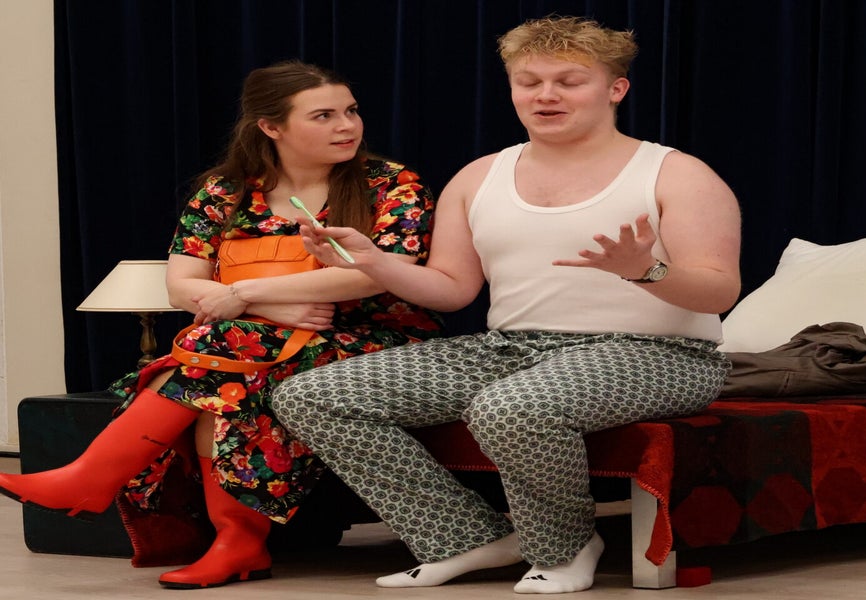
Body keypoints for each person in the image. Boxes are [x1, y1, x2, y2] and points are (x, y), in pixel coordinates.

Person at [273, 15, 741, 594]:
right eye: (529, 82)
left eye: (569, 81)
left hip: (661, 353)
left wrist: (646, 270)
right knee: (312, 396)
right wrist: (373, 262)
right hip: (513, 348)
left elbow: (719, 290)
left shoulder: (677, 174)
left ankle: (565, 548)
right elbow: (453, 289)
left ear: (615, 88)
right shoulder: (480, 176)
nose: (546, 95)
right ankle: (464, 537)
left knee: (511, 407)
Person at [0, 60, 441, 589]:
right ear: (271, 127)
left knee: (216, 348)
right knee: (227, 378)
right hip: (253, 344)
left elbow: (376, 274)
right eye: (323, 116)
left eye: (350, 111)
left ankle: (96, 480)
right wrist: (266, 310)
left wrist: (247, 295)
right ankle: (235, 541)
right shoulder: (224, 191)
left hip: (376, 341)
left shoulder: (391, 183)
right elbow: (181, 286)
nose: (347, 126)